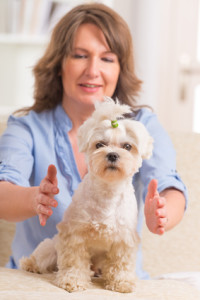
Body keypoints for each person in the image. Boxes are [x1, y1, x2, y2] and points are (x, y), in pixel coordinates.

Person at [0, 3, 187, 279]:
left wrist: (162, 213)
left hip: (114, 285)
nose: (92, 70)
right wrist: (34, 198)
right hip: (39, 282)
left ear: (120, 69)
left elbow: (169, 185)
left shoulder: (142, 124)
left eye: (107, 59)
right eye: (80, 55)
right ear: (59, 64)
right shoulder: (27, 126)